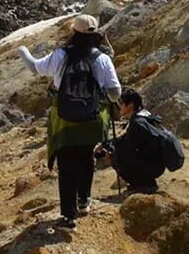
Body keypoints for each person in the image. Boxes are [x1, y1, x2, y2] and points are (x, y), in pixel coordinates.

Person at [19, 14, 120, 228]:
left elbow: (34, 67)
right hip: (91, 121)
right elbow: (115, 93)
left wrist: (23, 51)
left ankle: (68, 215)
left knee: (66, 166)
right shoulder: (101, 59)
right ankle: (84, 200)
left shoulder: (61, 55)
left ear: (74, 32)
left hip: (64, 120)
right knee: (85, 159)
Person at [95, 89, 182, 193]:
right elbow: (126, 139)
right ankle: (146, 182)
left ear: (130, 105)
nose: (119, 106)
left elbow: (127, 145)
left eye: (121, 103)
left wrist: (110, 152)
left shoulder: (137, 123)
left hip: (151, 166)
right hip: (157, 163)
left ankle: (141, 184)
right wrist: (106, 144)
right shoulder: (145, 115)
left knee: (117, 156)